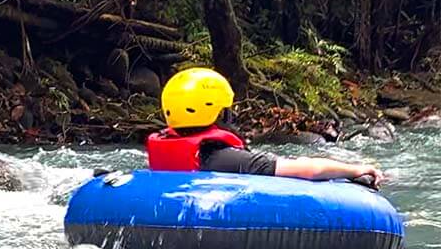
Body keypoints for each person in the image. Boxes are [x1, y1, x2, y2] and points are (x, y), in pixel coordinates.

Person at [148, 67, 385, 189]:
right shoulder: (223, 158)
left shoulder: (162, 147)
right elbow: (309, 170)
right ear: (216, 111)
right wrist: (356, 169)